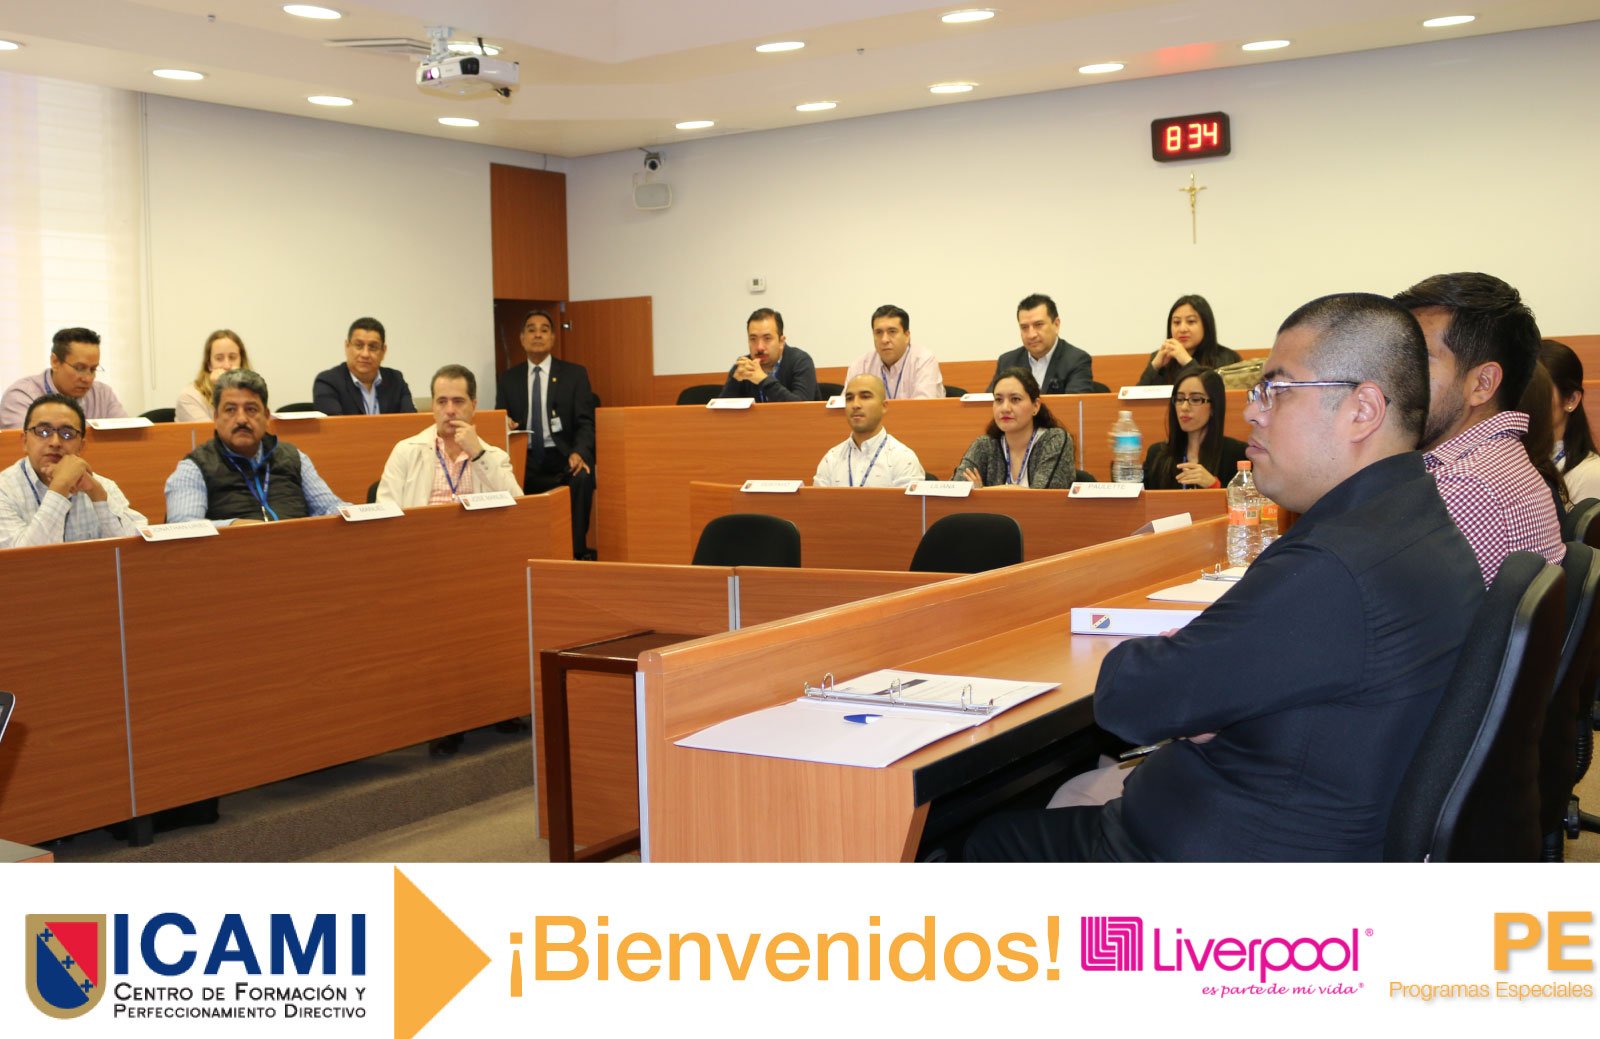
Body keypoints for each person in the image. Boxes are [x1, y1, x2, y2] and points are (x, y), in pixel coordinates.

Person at [966, 292, 1484, 862]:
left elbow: (1132, 700)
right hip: (1306, 818)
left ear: (1362, 410)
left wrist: (1192, 681)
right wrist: (1217, 691)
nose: (1252, 412)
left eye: (1275, 391)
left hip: (1223, 852)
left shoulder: (1332, 563)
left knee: (981, 841)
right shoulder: (1424, 524)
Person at [1393, 272, 1563, 584]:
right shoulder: (1498, 460)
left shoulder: (1463, 488)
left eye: (1418, 358)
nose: (1394, 377)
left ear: (1482, 384)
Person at [165, 369, 346, 525]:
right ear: (216, 417)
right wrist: (236, 527)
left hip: (298, 550)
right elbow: (184, 528)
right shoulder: (194, 468)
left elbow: (330, 506)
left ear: (266, 416)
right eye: (230, 410)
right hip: (233, 553)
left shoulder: (293, 458)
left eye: (251, 409)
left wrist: (357, 513)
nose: (241, 419)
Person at [495, 309, 597, 558]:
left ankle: (574, 553)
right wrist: (506, 423)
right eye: (531, 330)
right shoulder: (508, 379)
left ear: (552, 338)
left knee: (583, 478)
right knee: (499, 479)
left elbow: (586, 422)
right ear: (522, 339)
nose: (538, 335)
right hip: (526, 458)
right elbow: (500, 419)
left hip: (563, 455)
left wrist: (580, 452)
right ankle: (521, 553)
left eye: (544, 330)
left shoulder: (575, 374)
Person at [0, 393, 145, 547]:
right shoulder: (4, 490)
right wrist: (60, 486)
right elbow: (24, 558)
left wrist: (98, 496)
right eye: (43, 432)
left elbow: (134, 551)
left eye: (67, 434)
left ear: (81, 446)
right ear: (24, 441)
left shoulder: (101, 486)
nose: (55, 442)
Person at [378, 365, 520, 506]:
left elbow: (517, 506)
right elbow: (386, 510)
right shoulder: (405, 452)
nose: (450, 410)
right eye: (442, 402)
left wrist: (478, 454)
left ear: (473, 406)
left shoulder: (494, 457)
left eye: (458, 401)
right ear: (433, 406)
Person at [954, 368, 1073, 488]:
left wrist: (982, 491)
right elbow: (957, 489)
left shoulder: (1054, 440)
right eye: (999, 400)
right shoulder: (985, 445)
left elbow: (1043, 495)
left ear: (1035, 406)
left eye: (1015, 399)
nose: (1005, 408)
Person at [1140, 365, 1248, 489]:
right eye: (1180, 399)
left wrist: (1214, 486)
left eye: (1195, 399)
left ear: (1213, 407)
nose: (1184, 407)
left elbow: (1248, 499)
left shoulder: (1237, 454)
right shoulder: (1157, 454)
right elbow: (1144, 498)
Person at [0, 328, 128, 429]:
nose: (88, 379)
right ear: (55, 362)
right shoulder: (22, 396)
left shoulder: (103, 394)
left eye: (93, 369)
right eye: (79, 368)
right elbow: (26, 446)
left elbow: (127, 439)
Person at [812, 374, 925, 488]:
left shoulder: (903, 459)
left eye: (865, 397)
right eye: (849, 398)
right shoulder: (831, 459)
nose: (855, 405)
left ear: (884, 406)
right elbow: (817, 500)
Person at [987, 293, 1096, 395]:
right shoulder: (1007, 362)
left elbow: (1075, 405)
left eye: (1038, 325)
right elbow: (989, 403)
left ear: (1056, 324)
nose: (1031, 335)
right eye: (1024, 327)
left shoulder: (1076, 360)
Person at [311, 317, 416, 415]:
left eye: (373, 347)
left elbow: (411, 421)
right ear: (347, 346)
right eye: (359, 345)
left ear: (383, 351)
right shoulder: (328, 382)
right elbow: (334, 426)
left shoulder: (396, 380)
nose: (365, 354)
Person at [1540, 338, 1600, 504]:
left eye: (1540, 392)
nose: (1528, 402)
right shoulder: (1516, 461)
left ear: (1571, 400)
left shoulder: (1591, 474)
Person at [1136, 294, 1242, 385]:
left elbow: (1213, 394)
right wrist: (1154, 366)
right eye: (1177, 322)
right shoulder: (1162, 358)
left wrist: (1187, 362)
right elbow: (1137, 399)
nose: (1182, 329)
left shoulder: (1228, 359)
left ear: (1206, 325)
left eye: (1191, 321)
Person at [843, 305, 944, 400]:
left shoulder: (923, 361)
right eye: (879, 332)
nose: (884, 340)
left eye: (892, 331)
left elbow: (924, 407)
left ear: (907, 336)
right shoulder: (861, 365)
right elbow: (846, 404)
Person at [718, 308, 818, 402]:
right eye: (753, 339)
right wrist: (734, 382)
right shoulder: (744, 367)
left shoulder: (800, 361)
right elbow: (720, 411)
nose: (759, 347)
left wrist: (763, 380)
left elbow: (801, 408)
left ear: (781, 342)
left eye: (767, 338)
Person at [176, 329, 250, 421]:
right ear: (209, 364)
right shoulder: (189, 397)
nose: (227, 365)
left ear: (241, 362)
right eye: (219, 358)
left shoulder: (254, 392)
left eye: (232, 357)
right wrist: (224, 388)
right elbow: (219, 430)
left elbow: (258, 426)